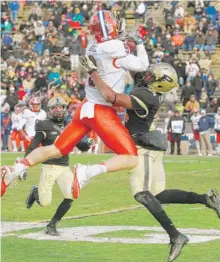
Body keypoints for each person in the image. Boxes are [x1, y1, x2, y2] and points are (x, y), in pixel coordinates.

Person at [75, 57, 220, 261]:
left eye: (152, 75)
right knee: (158, 194)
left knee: (141, 194)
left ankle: (176, 236)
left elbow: (109, 96)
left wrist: (93, 72)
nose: (147, 75)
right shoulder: (152, 91)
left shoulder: (145, 95)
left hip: (143, 149)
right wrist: (119, 57)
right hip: (151, 147)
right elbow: (138, 72)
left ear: (158, 82)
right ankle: (206, 199)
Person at [1, 10, 149, 197]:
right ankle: (87, 172)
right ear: (110, 28)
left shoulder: (93, 47)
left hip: (85, 107)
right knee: (131, 157)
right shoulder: (115, 48)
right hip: (101, 111)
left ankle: (13, 170)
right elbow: (143, 65)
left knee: (56, 149)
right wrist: (141, 44)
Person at [24, 97, 95, 236]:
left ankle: (52, 225)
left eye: (60, 107)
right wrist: (25, 164)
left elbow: (81, 147)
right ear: (49, 110)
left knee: (71, 195)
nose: (58, 110)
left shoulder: (70, 126)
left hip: (64, 167)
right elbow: (32, 147)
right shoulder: (44, 125)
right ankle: (35, 192)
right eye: (54, 108)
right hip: (49, 166)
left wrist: (88, 143)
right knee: (44, 203)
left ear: (64, 108)